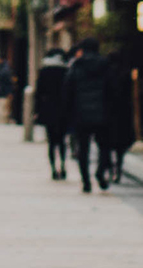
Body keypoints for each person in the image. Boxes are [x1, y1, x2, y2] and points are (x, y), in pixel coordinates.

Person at [72, 43, 132, 189]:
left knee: (83, 148)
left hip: (81, 114)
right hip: (103, 114)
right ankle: (100, 172)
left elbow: (68, 90)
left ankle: (86, 180)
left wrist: (70, 112)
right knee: (104, 146)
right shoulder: (106, 67)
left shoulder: (76, 66)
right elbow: (114, 90)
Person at [35, 52, 74, 181]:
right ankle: (63, 165)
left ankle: (53, 169)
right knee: (62, 141)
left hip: (48, 110)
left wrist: (37, 111)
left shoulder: (44, 71)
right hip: (63, 110)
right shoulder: (66, 71)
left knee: (51, 142)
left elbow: (39, 93)